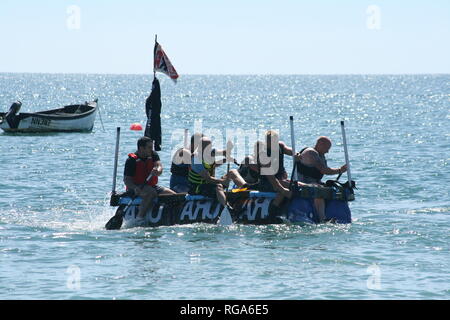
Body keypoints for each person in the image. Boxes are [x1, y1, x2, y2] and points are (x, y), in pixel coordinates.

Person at [188, 137, 249, 211]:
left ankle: (246, 190)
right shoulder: (196, 159)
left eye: (209, 147)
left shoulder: (211, 152)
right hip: (197, 188)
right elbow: (208, 178)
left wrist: (228, 152)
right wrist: (222, 181)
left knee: (232, 172)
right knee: (219, 186)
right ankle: (227, 208)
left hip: (210, 184)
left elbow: (221, 155)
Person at [295, 136, 347, 222]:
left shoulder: (321, 154)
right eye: (327, 148)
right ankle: (322, 218)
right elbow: (324, 170)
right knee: (319, 190)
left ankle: (338, 215)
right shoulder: (311, 153)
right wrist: (340, 170)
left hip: (315, 182)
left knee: (335, 188)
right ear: (320, 144)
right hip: (302, 182)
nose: (327, 151)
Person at [124, 136, 175, 220]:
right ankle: (139, 219)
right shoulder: (131, 161)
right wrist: (135, 188)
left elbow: (159, 166)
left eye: (152, 147)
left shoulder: (153, 154)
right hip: (137, 187)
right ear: (141, 148)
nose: (151, 149)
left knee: (173, 195)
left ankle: (169, 215)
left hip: (151, 186)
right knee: (151, 193)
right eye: (149, 147)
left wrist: (157, 171)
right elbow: (127, 180)